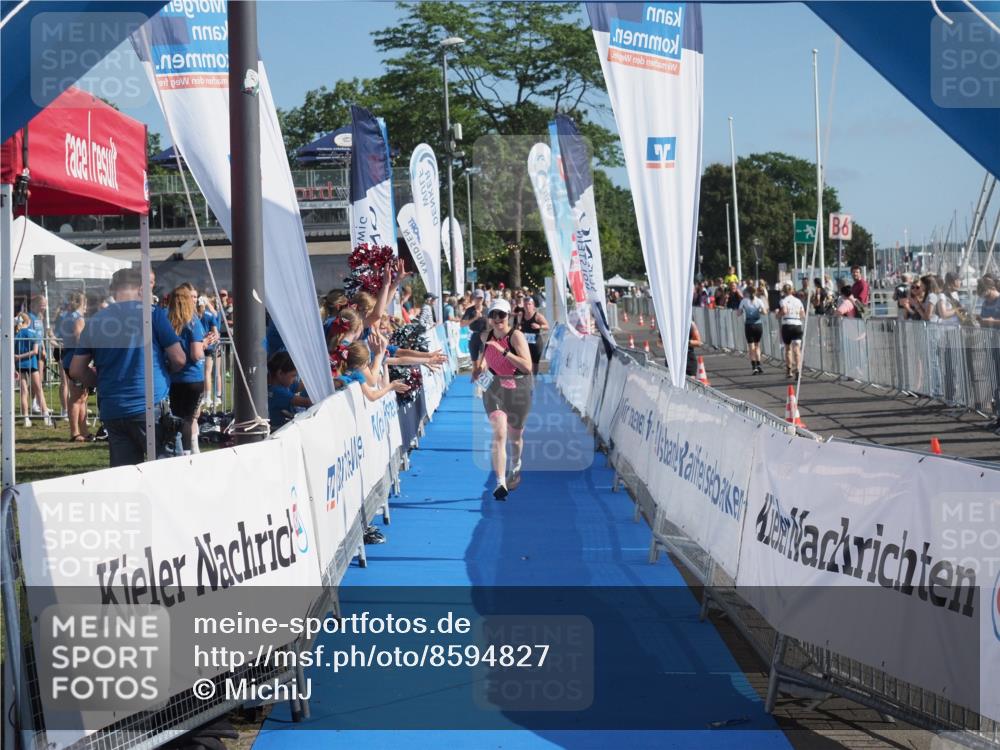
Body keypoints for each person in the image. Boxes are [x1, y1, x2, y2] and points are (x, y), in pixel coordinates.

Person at [70, 268, 186, 467]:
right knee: (169, 474)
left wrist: (101, 381)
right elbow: (179, 358)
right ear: (141, 288)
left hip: (113, 409)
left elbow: (76, 370)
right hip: (149, 405)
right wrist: (166, 370)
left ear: (113, 290)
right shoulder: (153, 315)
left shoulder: (96, 320)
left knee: (125, 477)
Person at [474, 298, 534, 500]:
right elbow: (484, 363)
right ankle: (500, 482)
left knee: (515, 438)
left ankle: (515, 467)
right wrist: (478, 372)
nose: (498, 319)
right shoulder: (485, 337)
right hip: (494, 387)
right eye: (493, 315)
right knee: (499, 432)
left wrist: (504, 351)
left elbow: (528, 367)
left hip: (519, 387)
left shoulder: (515, 336)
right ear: (489, 318)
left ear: (509, 316)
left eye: (501, 315)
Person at [168, 284, 212, 454]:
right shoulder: (193, 323)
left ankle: (180, 450)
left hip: (173, 377)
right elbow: (196, 354)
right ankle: (188, 452)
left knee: (177, 417)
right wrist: (205, 344)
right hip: (192, 377)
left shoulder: (168, 321)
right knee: (188, 418)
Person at [58, 292, 90, 440]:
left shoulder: (67, 317)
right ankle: (75, 432)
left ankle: (84, 431)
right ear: (82, 303)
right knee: (77, 396)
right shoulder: (78, 318)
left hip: (70, 357)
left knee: (82, 396)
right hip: (76, 359)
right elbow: (79, 338)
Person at [14, 312, 51, 427]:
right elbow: (35, 351)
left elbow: (14, 353)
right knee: (39, 390)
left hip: (20, 365)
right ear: (28, 321)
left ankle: (26, 418)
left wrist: (18, 358)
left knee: (24, 392)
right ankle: (46, 416)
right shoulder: (33, 333)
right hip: (32, 364)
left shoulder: (16, 334)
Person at [267, 352, 312, 431]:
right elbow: (307, 402)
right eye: (293, 376)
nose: (294, 379)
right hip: (279, 431)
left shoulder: (282, 383)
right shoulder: (277, 392)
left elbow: (301, 386)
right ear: (280, 373)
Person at [738, 285, 768, 374]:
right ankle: (759, 365)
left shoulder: (744, 301)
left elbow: (738, 313)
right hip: (758, 325)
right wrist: (758, 311)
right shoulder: (759, 301)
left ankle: (754, 367)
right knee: (757, 346)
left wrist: (743, 310)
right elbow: (765, 312)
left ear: (747, 292)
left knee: (751, 347)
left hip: (749, 325)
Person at [778, 283, 805, 378]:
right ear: (792, 291)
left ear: (784, 291)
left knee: (788, 348)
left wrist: (778, 315)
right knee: (797, 349)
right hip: (797, 324)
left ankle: (789, 370)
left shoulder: (783, 301)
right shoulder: (798, 301)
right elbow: (803, 314)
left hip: (787, 324)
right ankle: (798, 369)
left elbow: (784, 311)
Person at [517, 295, 549, 375]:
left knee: (535, 364)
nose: (527, 306)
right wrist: (519, 327)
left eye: (529, 304)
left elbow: (547, 326)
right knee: (525, 362)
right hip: (525, 343)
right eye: (525, 304)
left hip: (536, 343)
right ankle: (528, 379)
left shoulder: (538, 316)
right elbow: (518, 326)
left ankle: (534, 379)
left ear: (533, 306)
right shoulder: (521, 315)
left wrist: (539, 326)